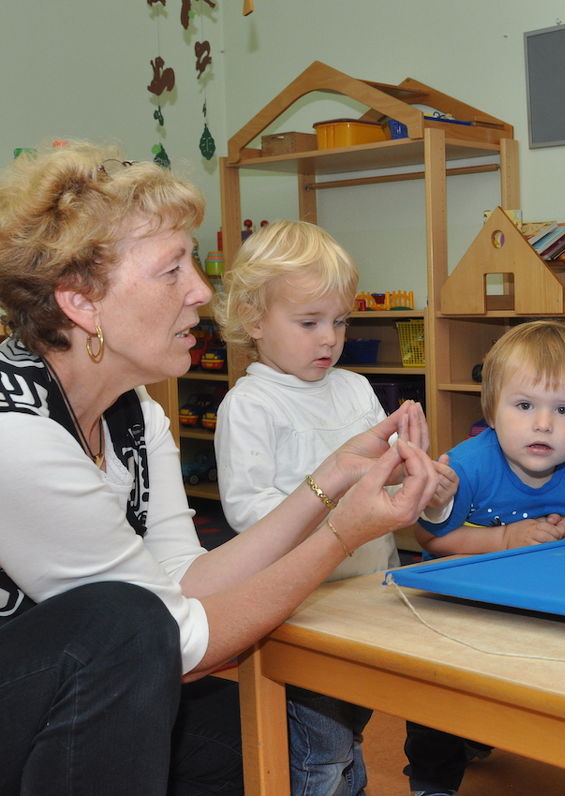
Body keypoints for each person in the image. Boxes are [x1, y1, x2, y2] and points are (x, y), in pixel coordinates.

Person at [0, 141, 439, 793]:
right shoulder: (19, 435)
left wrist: (334, 476)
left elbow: (185, 581)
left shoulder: (134, 412)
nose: (203, 292)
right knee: (125, 624)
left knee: (269, 747)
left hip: (56, 689)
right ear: (82, 303)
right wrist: (340, 534)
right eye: (172, 270)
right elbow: (175, 640)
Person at [213, 220, 443, 795]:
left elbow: (387, 484)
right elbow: (249, 512)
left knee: (350, 732)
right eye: (309, 322)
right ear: (253, 320)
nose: (329, 339)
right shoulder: (250, 405)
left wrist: (427, 482)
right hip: (302, 607)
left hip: (367, 595)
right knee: (319, 749)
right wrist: (339, 505)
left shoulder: (355, 389)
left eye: (339, 321)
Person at [410, 320, 565, 796]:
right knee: (435, 695)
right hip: (451, 605)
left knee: (519, 682)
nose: (543, 424)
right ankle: (432, 782)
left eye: (564, 410)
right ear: (493, 409)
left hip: (531, 602)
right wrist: (505, 540)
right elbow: (430, 536)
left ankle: (483, 732)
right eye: (524, 406)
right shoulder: (466, 466)